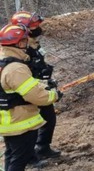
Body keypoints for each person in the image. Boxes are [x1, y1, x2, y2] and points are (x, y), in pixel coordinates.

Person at [0, 24, 60, 171]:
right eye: (25, 40)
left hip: (8, 120)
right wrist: (54, 95)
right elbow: (35, 95)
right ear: (19, 43)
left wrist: (44, 83)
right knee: (20, 159)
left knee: (11, 154)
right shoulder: (16, 68)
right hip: (20, 122)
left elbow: (23, 86)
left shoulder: (5, 61)